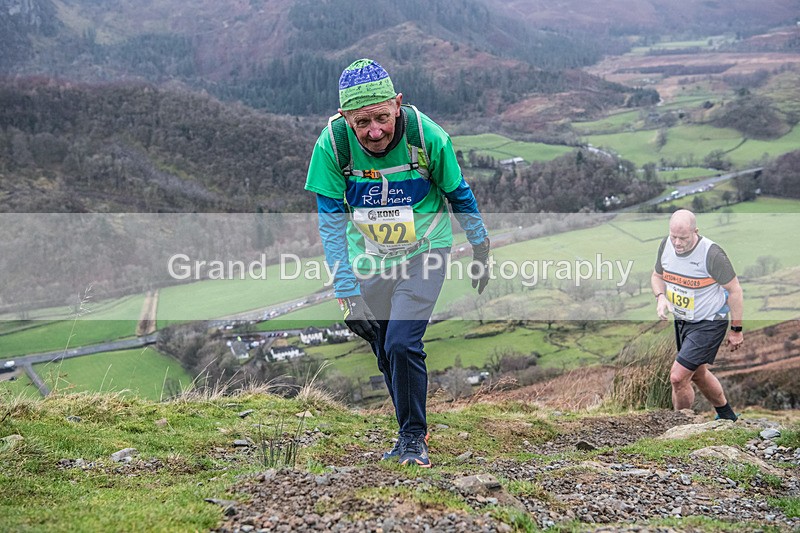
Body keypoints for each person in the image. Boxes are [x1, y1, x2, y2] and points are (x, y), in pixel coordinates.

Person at [305, 58, 490, 467]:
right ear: (345, 118)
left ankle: (412, 439)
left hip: (425, 248)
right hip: (368, 258)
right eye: (362, 123)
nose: (374, 132)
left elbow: (459, 194)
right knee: (384, 348)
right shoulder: (331, 145)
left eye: (383, 118)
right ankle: (409, 428)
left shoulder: (428, 137)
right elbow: (331, 225)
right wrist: (347, 293)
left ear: (398, 104)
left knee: (403, 342)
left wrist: (480, 247)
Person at [651, 209, 743, 421]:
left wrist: (736, 330)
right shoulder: (666, 245)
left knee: (678, 377)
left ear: (695, 231)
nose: (677, 243)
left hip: (709, 322)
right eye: (673, 236)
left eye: (682, 238)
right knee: (698, 373)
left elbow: (735, 290)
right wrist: (660, 297)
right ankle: (727, 415)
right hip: (683, 321)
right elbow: (657, 275)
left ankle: (679, 425)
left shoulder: (712, 254)